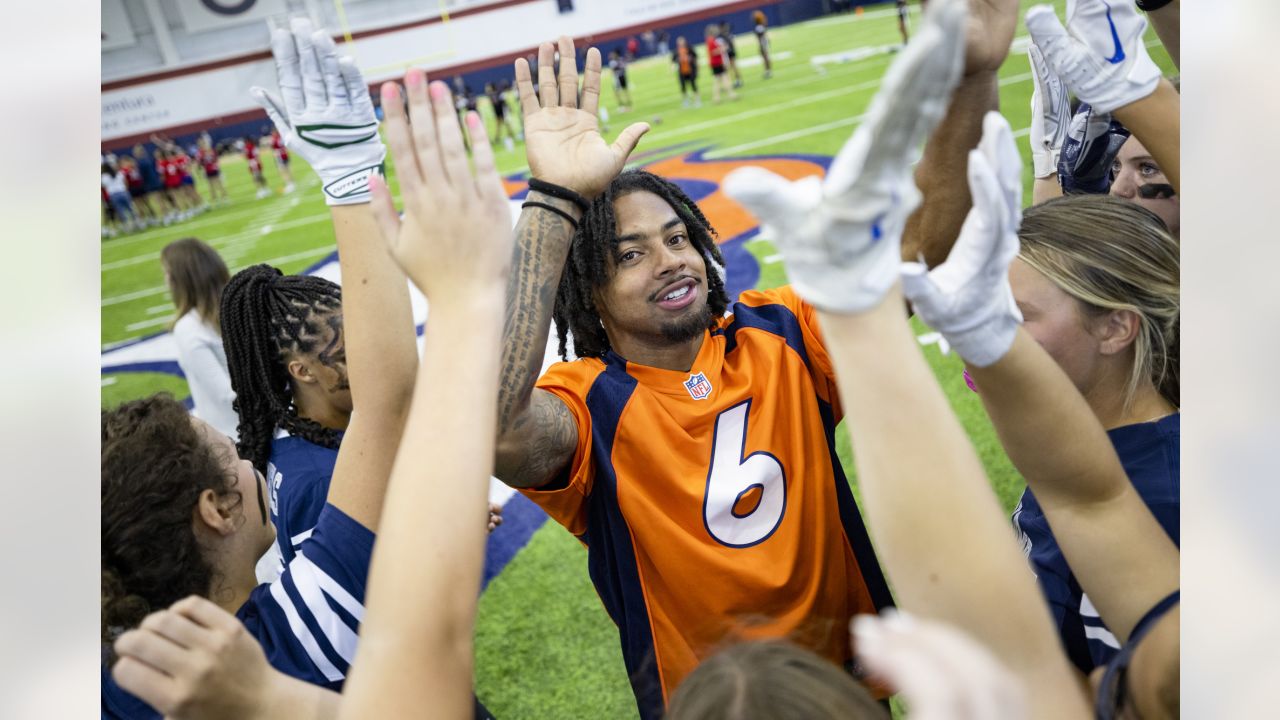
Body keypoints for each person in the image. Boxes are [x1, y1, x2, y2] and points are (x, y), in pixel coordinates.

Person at [490, 27, 1028, 715]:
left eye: (678, 237)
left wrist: (974, 74)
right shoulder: (588, 403)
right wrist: (554, 201)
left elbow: (919, 249)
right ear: (588, 290)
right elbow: (497, 429)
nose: (671, 261)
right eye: (631, 255)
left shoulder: (781, 332)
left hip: (844, 689)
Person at [103, 18, 419, 719]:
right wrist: (351, 176)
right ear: (215, 510)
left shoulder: (112, 687)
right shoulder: (301, 632)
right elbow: (388, 394)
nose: (251, 459)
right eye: (228, 456)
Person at [161, 238, 240, 441]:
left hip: (232, 437)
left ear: (183, 280)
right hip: (261, 429)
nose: (166, 280)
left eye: (168, 273)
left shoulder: (189, 328)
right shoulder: (239, 309)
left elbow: (227, 395)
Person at [102, 159, 138, 234]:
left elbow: (103, 186)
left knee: (120, 211)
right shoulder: (119, 173)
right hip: (123, 192)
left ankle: (127, 227)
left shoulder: (105, 176)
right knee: (130, 208)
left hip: (114, 195)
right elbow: (125, 182)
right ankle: (137, 224)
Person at [704, 24, 737, 103]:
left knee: (718, 80)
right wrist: (723, 49)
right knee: (724, 78)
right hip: (717, 63)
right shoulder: (711, 41)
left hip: (715, 63)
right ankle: (730, 94)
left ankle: (717, 98)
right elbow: (713, 52)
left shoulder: (710, 40)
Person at [196, 136, 230, 205]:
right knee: (212, 186)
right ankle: (218, 199)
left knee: (218, 184)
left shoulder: (204, 152)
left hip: (212, 169)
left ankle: (224, 198)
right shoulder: (204, 152)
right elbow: (201, 163)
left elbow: (202, 163)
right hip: (209, 170)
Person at [486, 81, 518, 150]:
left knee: (505, 124)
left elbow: (503, 102)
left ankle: (508, 135)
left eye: (489, 87)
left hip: (501, 111)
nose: (488, 88)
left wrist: (508, 108)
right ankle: (499, 137)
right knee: (500, 125)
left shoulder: (498, 93)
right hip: (497, 112)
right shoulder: (491, 94)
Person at [672, 36, 701, 107]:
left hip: (690, 70)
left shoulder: (690, 48)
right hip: (681, 71)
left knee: (693, 85)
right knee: (683, 87)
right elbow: (673, 61)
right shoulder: (676, 51)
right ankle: (685, 101)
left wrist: (698, 69)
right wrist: (672, 70)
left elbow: (696, 58)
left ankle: (697, 100)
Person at [269, 129, 296, 194]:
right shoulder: (281, 137)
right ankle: (292, 183)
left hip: (280, 156)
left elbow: (273, 146)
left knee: (283, 171)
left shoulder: (275, 139)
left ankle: (289, 183)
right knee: (287, 169)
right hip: (284, 154)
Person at [718, 22, 743, 88]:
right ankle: (734, 81)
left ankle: (737, 81)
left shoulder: (725, 35)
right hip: (729, 52)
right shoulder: (726, 34)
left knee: (732, 67)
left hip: (729, 52)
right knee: (730, 68)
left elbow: (729, 44)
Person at [752, 11, 772, 79]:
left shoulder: (759, 27)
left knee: (765, 58)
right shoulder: (761, 25)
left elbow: (760, 38)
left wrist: (761, 46)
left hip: (763, 43)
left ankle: (768, 71)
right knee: (766, 57)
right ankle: (768, 71)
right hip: (764, 42)